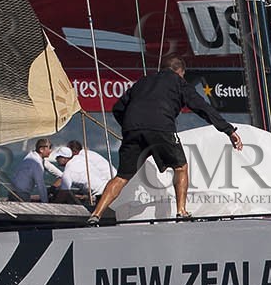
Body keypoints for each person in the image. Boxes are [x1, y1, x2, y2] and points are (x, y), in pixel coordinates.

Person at [88, 55, 243, 223]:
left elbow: (118, 108)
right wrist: (228, 130)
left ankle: (96, 214)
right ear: (180, 72)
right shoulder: (179, 82)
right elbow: (202, 107)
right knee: (180, 167)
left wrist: (130, 127)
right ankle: (181, 211)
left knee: (122, 176)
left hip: (132, 130)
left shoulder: (142, 82)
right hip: (161, 127)